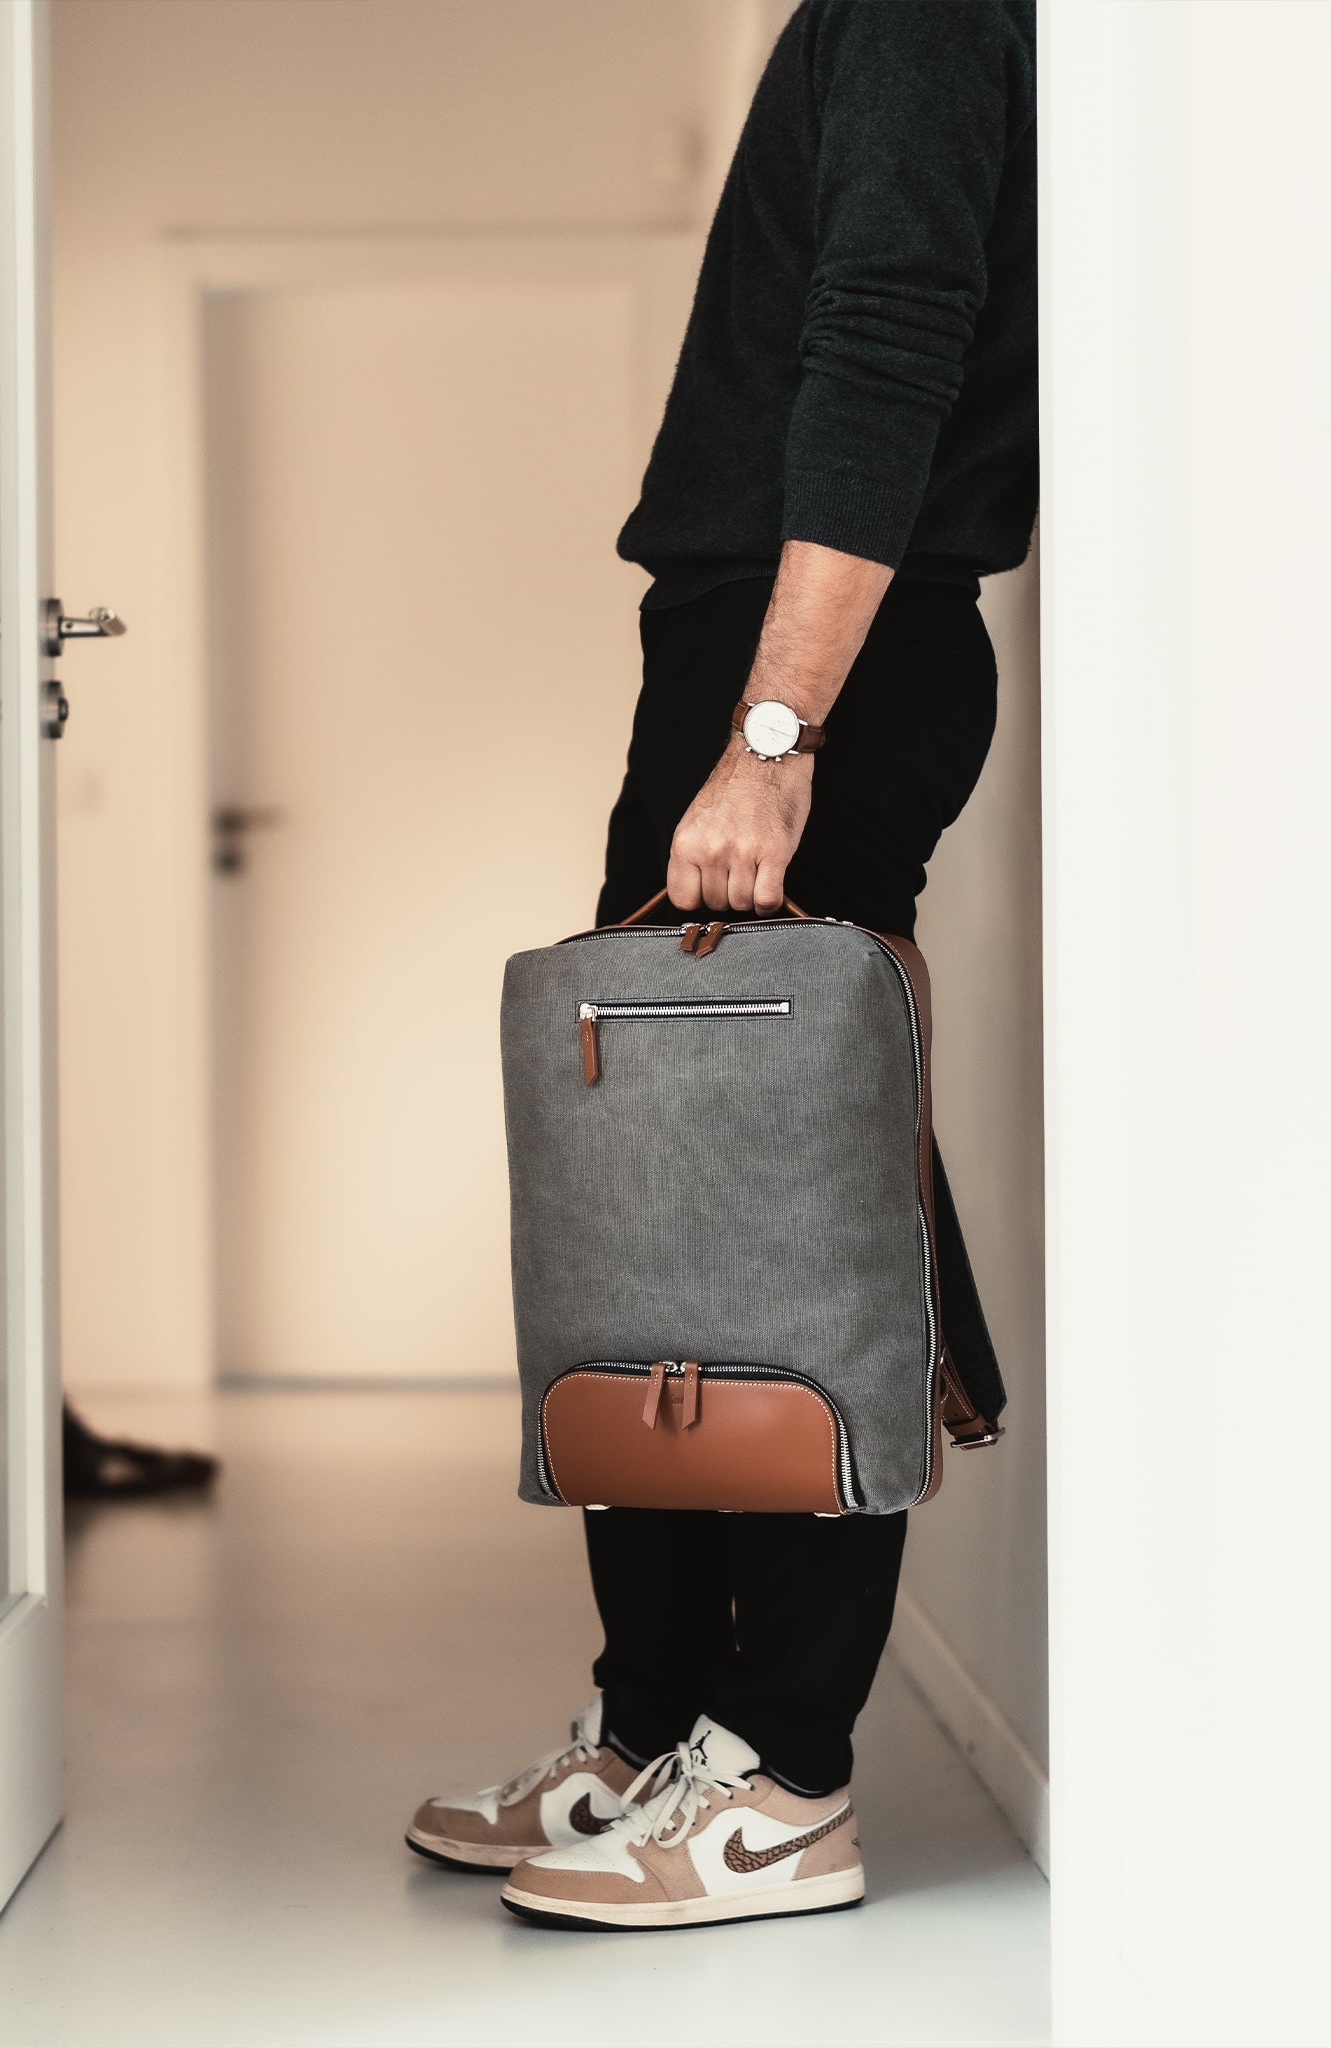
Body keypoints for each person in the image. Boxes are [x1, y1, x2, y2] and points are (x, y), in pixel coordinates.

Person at [405, 0, 1037, 1930]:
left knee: (780, 1227)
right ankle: (656, 1726)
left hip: (820, 656)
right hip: (741, 639)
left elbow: (890, 333)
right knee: (659, 1214)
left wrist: (774, 735)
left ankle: (782, 1783)